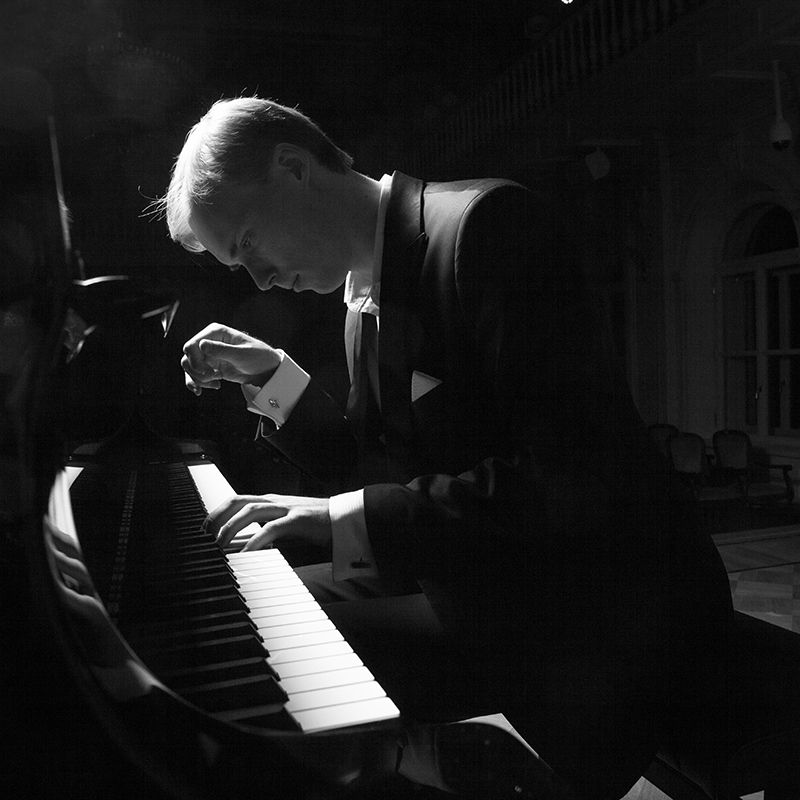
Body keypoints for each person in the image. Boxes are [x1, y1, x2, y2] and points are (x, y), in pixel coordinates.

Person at [158, 96, 733, 799]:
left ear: (294, 168)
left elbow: (574, 478)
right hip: (491, 578)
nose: (260, 279)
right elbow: (379, 469)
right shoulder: (361, 296)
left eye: (247, 242)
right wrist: (274, 379)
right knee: (239, 626)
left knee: (269, 659)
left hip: (602, 610)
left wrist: (343, 519)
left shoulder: (488, 226)